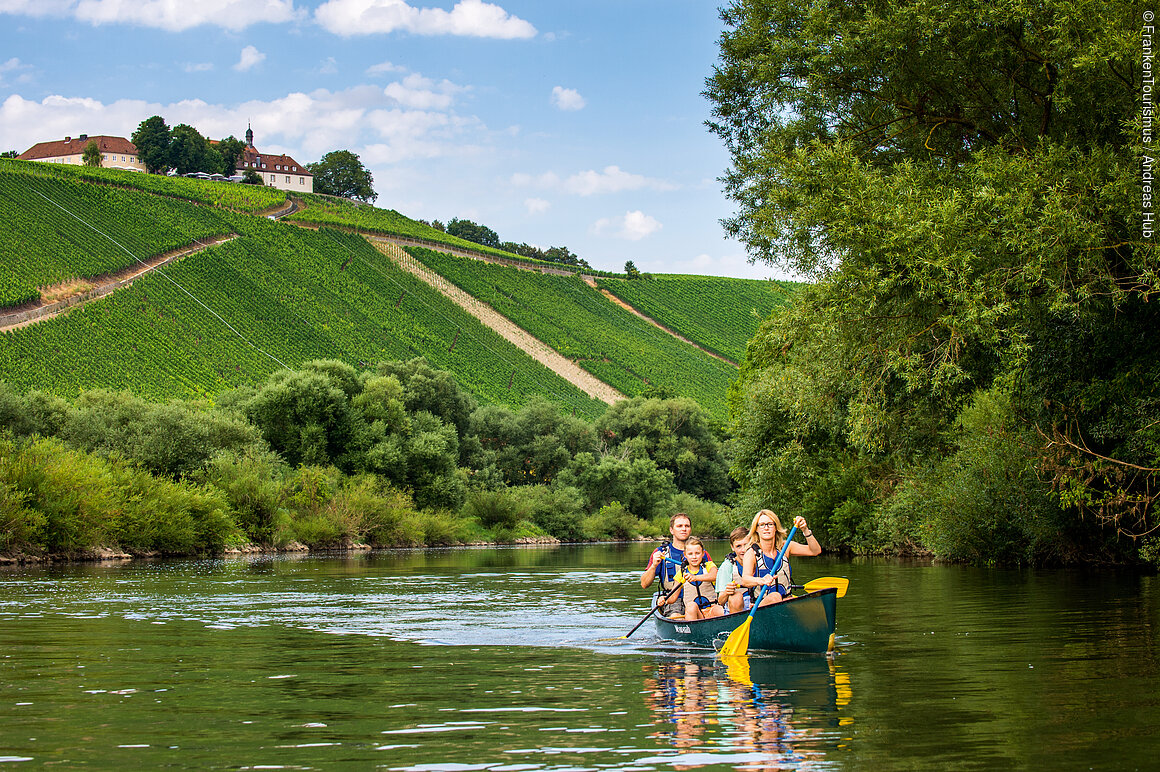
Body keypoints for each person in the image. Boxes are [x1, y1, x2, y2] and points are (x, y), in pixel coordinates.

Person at [739, 509, 821, 608]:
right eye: (762, 525)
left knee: (794, 600)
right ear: (756, 529)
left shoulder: (785, 547)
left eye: (770, 524)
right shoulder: (752, 553)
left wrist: (805, 530)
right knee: (775, 596)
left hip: (786, 601)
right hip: (763, 606)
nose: (766, 528)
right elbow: (745, 580)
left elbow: (815, 551)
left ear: (776, 527)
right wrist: (761, 580)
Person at [641, 512, 712, 617]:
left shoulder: (701, 553)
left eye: (687, 526)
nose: (684, 529)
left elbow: (715, 576)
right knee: (675, 616)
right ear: (671, 530)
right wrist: (654, 566)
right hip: (673, 600)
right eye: (679, 526)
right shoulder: (661, 552)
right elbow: (644, 584)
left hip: (698, 597)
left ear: (690, 529)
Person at [681, 537, 723, 620]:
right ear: (685, 555)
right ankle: (693, 631)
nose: (694, 557)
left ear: (703, 553)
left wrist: (695, 577)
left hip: (711, 611)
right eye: (690, 554)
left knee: (718, 609)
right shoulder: (681, 573)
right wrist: (664, 600)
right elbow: (673, 597)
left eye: (697, 553)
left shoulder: (709, 566)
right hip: (696, 614)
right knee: (691, 606)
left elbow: (715, 576)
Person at [715, 526, 752, 614]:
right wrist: (727, 592)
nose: (743, 550)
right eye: (738, 546)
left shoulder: (759, 560)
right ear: (732, 547)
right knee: (736, 597)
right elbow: (720, 601)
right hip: (735, 608)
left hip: (756, 605)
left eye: (746, 545)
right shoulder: (727, 566)